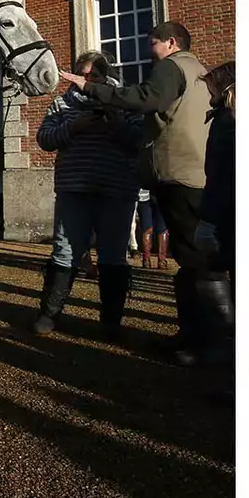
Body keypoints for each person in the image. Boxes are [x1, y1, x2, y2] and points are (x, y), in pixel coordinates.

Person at [59, 21, 217, 364]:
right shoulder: (197, 69)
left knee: (193, 260)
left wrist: (89, 87)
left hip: (179, 174)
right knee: (191, 258)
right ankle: (193, 335)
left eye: (153, 44)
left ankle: (208, 342)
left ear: (171, 43)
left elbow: (144, 99)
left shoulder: (172, 66)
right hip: (195, 173)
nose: (150, 52)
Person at [31, 51, 145, 339]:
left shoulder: (125, 101)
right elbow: (44, 138)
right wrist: (73, 127)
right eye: (82, 74)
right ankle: (50, 313)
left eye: (93, 76)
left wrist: (114, 120)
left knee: (113, 256)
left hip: (116, 189)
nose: (87, 81)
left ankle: (110, 322)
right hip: (74, 188)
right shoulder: (62, 103)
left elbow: (140, 139)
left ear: (104, 77)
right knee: (64, 250)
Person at [197, 61, 235, 351]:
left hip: (229, 215)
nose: (208, 91)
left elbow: (221, 177)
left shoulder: (227, 121)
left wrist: (208, 222)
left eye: (211, 87)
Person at [137, 188, 167, 269]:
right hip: (161, 193)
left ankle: (146, 260)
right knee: (162, 228)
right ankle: (162, 260)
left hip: (143, 194)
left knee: (146, 227)